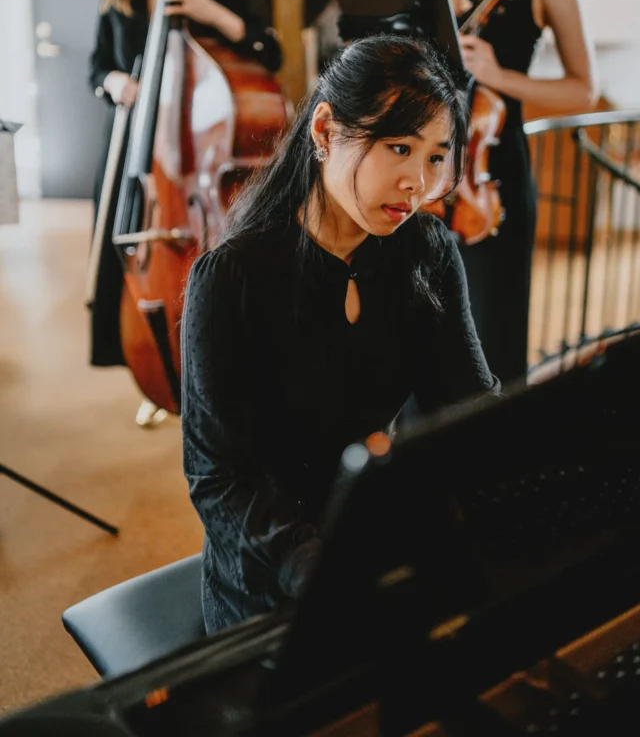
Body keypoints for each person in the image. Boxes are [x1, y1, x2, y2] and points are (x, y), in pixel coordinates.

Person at [181, 33, 500, 633]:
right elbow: (220, 478)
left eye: (435, 156)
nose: (418, 183)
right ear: (325, 132)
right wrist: (314, 565)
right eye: (398, 147)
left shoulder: (425, 252)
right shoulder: (231, 279)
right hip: (268, 568)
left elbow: (469, 408)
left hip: (376, 531)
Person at [408, 0, 599, 387]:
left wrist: (497, 74)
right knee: (417, 327)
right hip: (422, 170)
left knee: (490, 333)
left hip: (494, 178)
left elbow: (582, 90)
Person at [88, 0, 281, 427]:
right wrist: (114, 82)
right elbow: (96, 67)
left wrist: (211, 12)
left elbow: (269, 53)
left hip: (199, 162)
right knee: (129, 261)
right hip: (137, 154)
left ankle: (212, 375)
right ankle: (154, 374)